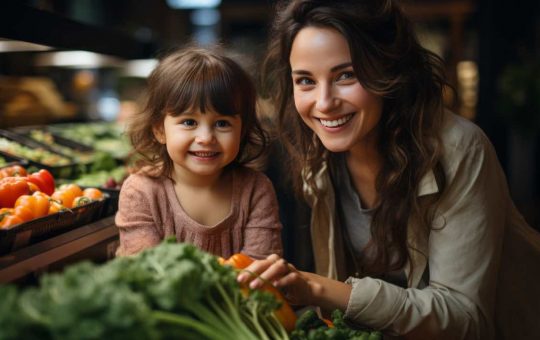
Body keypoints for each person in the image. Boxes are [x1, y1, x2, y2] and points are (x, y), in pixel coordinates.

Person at [237, 1, 540, 339]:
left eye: (346, 75)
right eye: (305, 81)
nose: (323, 103)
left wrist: (320, 289)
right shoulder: (319, 157)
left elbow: (464, 319)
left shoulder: (460, 150)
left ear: (387, 70)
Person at [115, 46, 283, 260]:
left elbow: (262, 273)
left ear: (242, 130)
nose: (205, 138)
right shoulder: (140, 192)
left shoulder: (256, 190)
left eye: (222, 123)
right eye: (189, 122)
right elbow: (149, 274)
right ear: (159, 130)